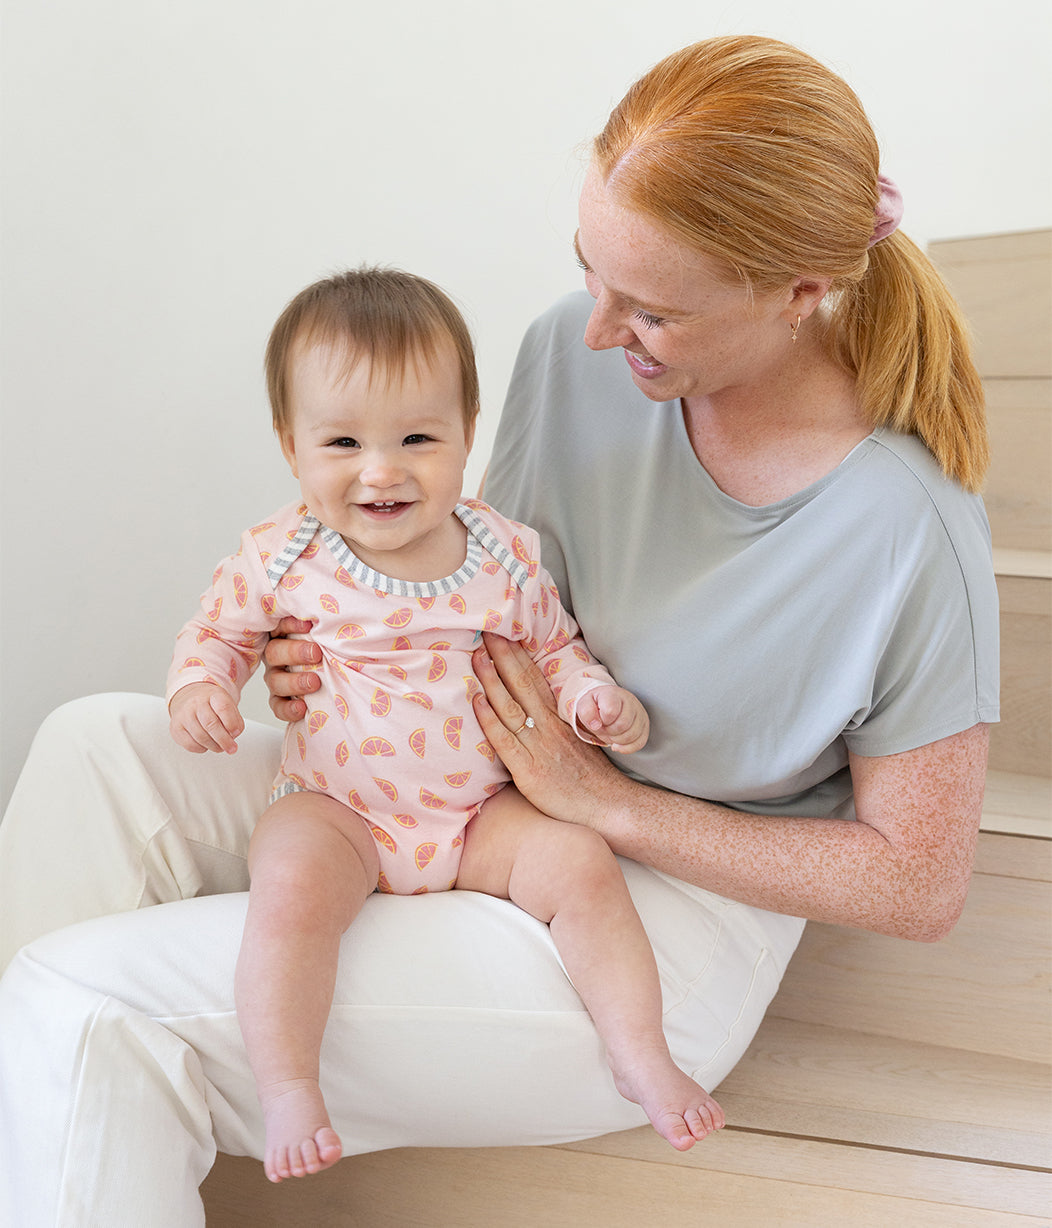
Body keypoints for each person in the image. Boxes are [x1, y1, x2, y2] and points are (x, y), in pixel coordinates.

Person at [0, 35, 996, 1227]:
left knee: (90, 1002)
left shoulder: (902, 530)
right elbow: (485, 592)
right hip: (473, 784)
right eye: (593, 272)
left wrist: (617, 807)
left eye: (652, 310)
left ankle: (72, 1086)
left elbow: (920, 880)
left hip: (658, 911)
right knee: (92, 750)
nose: (595, 329)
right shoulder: (572, 357)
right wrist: (318, 642)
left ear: (795, 291)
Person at [165, 266, 720, 1182]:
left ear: (468, 436)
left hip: (476, 818)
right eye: (341, 441)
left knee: (580, 865)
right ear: (290, 444)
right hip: (341, 806)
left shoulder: (502, 552)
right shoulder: (283, 552)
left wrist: (591, 698)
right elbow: (217, 630)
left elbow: (554, 647)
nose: (381, 470)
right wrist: (200, 689)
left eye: (418, 437)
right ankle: (289, 1085)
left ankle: (641, 1054)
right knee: (291, 890)